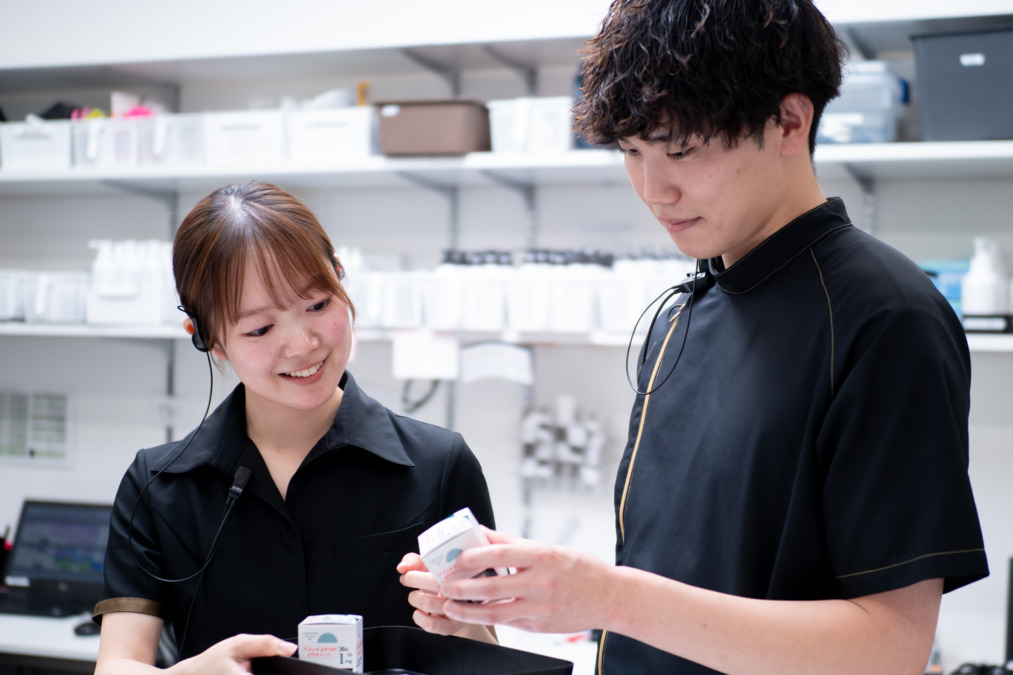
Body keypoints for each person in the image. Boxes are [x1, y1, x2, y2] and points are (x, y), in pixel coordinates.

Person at [398, 1, 989, 673]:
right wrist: (531, 597)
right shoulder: (680, 315)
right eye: (630, 152)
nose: (654, 190)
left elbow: (888, 650)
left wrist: (608, 597)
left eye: (682, 150)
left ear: (790, 121)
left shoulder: (886, 317)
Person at [92, 181, 497, 673]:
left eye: (319, 305)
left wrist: (456, 622)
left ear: (341, 278)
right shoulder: (157, 486)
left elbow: (486, 650)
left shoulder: (439, 465)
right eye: (260, 329)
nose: (302, 345)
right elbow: (117, 663)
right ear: (209, 339)